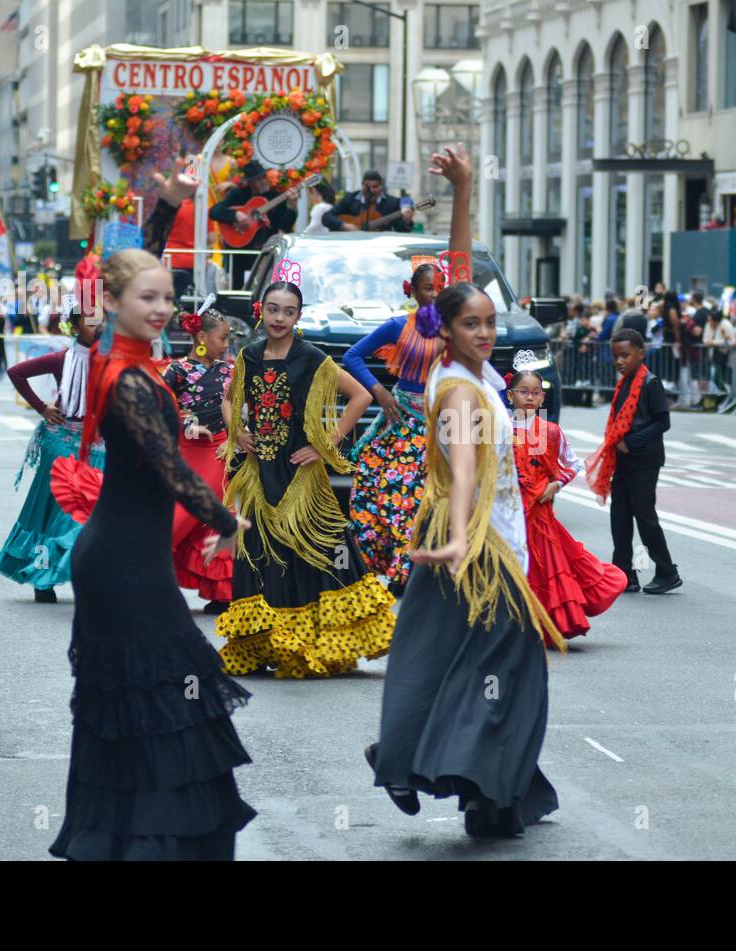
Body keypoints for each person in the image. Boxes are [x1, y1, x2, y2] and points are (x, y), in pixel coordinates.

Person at [48, 248, 255, 861]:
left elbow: (159, 463)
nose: (164, 308)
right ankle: (151, 844)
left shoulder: (131, 363)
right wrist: (225, 519)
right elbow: (168, 469)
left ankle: (137, 840)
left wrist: (165, 208)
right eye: (148, 297)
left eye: (169, 296)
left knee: (150, 700)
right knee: (168, 693)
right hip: (123, 564)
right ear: (111, 303)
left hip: (124, 555)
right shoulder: (128, 378)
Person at [366, 281, 564, 839]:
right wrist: (458, 537)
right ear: (444, 331)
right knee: (505, 668)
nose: (485, 333)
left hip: (489, 537)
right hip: (475, 543)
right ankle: (477, 788)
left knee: (451, 659)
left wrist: (461, 192)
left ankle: (442, 773)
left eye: (490, 322)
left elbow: (455, 272)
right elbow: (462, 473)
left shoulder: (476, 375)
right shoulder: (457, 391)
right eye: (471, 324)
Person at [214, 279, 395, 678]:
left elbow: (361, 396)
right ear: (261, 310)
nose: (279, 318)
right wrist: (237, 432)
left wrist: (325, 446)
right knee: (260, 553)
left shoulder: (311, 357)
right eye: (273, 309)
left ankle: (313, 642)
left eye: (288, 311)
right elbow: (229, 400)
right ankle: (264, 643)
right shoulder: (249, 356)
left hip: (301, 475)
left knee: (320, 551)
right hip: (260, 476)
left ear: (299, 316)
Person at [344, 145, 473, 592]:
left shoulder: (451, 328)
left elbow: (461, 273)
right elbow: (352, 357)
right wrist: (378, 393)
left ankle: (420, 568)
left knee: (427, 497)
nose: (434, 293)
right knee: (379, 494)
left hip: (437, 422)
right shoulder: (397, 326)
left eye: (440, 287)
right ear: (412, 289)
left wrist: (461, 191)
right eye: (426, 287)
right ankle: (395, 570)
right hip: (400, 419)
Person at [0, 259, 106, 603]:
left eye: (100, 317)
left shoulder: (112, 359)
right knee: (55, 510)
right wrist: (42, 408)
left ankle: (86, 573)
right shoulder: (62, 359)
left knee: (92, 512)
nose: (98, 324)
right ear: (75, 325)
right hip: (62, 442)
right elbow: (16, 372)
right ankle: (43, 577)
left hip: (99, 445)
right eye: (90, 319)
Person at [508, 367, 626, 639]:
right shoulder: (499, 428)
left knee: (544, 567)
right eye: (523, 392)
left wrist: (555, 484)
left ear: (542, 398)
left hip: (539, 513)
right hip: (509, 511)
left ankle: (541, 624)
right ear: (511, 395)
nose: (529, 397)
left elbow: (571, 464)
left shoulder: (549, 431)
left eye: (535, 393)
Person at [587, 327, 681, 594]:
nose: (620, 361)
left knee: (645, 516)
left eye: (625, 355)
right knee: (620, 516)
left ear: (641, 353)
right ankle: (623, 572)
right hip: (624, 460)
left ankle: (666, 571)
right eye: (616, 356)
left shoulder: (651, 383)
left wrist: (631, 442)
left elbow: (663, 422)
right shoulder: (624, 383)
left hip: (645, 460)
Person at [162, 308, 234, 613]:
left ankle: (220, 593)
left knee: (215, 521)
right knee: (178, 519)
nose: (227, 344)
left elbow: (237, 408)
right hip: (186, 452)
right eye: (223, 337)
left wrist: (233, 440)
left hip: (218, 452)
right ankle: (147, 579)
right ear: (202, 337)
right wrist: (188, 425)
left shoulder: (230, 370)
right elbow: (163, 409)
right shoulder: (176, 371)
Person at [208, 161, 295, 290]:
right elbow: (214, 212)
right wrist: (235, 214)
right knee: (238, 291)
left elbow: (285, 226)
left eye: (263, 177)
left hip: (265, 254)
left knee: (265, 290)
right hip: (240, 254)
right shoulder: (238, 194)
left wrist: (293, 207)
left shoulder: (275, 197)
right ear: (250, 182)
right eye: (258, 179)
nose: (263, 182)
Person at [323, 170, 415, 233]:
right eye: (367, 187)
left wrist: (407, 220)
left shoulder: (391, 202)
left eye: (374, 187)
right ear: (362, 186)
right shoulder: (350, 199)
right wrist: (344, 225)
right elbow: (326, 217)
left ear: (380, 187)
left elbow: (402, 229)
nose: (370, 190)